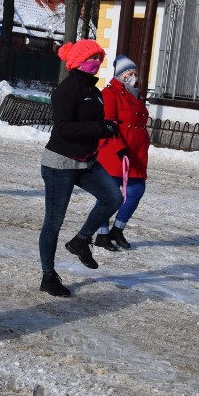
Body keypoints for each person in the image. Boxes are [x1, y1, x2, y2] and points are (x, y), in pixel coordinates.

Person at [38, 39, 124, 297]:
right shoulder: (67, 89)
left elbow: (92, 123)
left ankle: (81, 240)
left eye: (99, 58)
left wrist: (108, 129)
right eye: (91, 59)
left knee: (113, 198)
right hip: (60, 164)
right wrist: (100, 127)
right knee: (54, 222)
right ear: (77, 63)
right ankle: (48, 276)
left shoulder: (94, 90)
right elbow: (63, 127)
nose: (96, 63)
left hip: (86, 161)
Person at [94, 55, 150, 251]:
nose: (133, 77)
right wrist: (119, 148)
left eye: (135, 73)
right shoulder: (110, 94)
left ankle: (117, 229)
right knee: (108, 195)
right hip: (114, 151)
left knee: (136, 191)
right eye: (129, 73)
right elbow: (108, 123)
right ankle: (102, 235)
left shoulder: (136, 95)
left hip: (136, 152)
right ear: (120, 75)